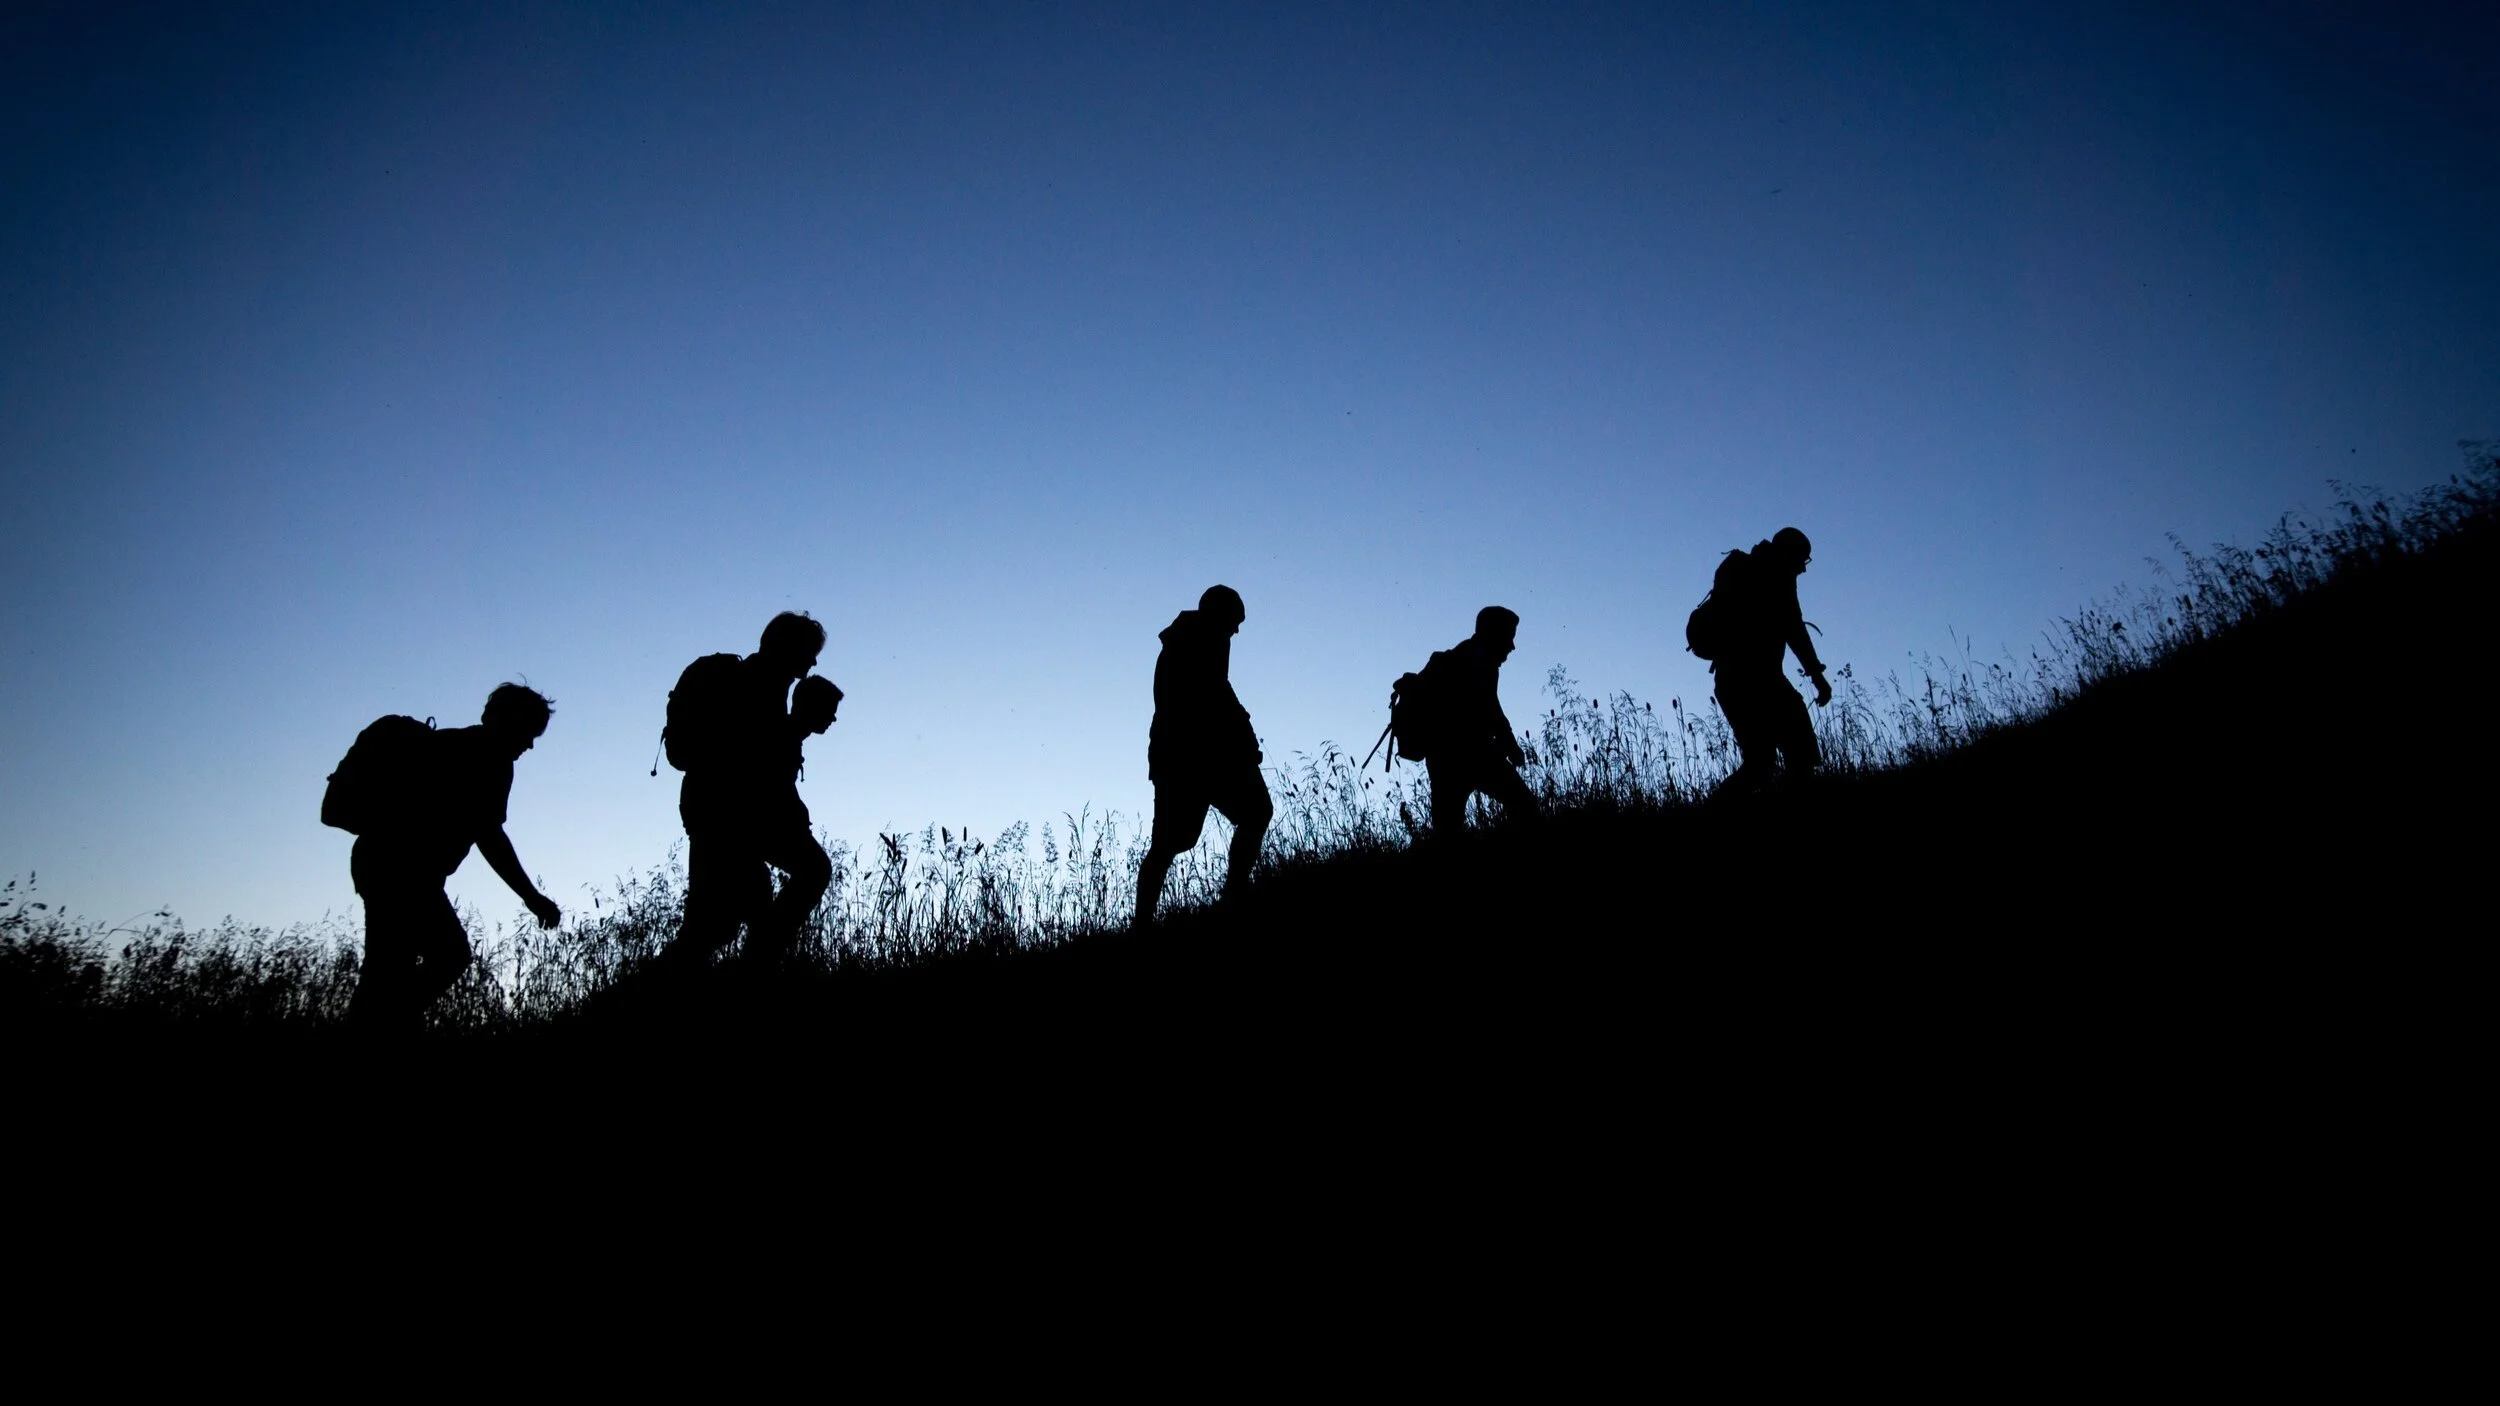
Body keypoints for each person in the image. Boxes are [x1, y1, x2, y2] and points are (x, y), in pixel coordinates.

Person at [344, 683, 561, 1036]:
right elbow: (489, 836)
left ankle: (382, 1023)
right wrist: (531, 896)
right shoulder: (489, 759)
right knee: (446, 956)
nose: (530, 744)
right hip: (402, 871)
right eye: (529, 733)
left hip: (383, 862)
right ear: (509, 722)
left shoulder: (450, 742)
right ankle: (384, 1025)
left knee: (388, 968)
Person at [670, 611, 837, 967]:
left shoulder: (769, 687)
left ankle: (750, 971)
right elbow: (755, 771)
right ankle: (751, 974)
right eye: (809, 650)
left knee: (716, 925)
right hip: (725, 819)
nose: (813, 659)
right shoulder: (757, 687)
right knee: (715, 925)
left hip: (715, 814)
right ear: (787, 646)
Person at [1135, 585, 1272, 925]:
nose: (1236, 631)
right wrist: (1242, 737)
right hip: (1189, 758)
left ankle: (1232, 896)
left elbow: (1218, 693)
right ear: (1219, 614)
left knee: (1254, 812)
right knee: (1171, 843)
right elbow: (1211, 698)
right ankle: (1144, 922)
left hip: (1196, 756)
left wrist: (1242, 736)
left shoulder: (1196, 639)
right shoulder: (1195, 641)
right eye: (1234, 622)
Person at [1712, 526, 1832, 794]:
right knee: (1795, 755)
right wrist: (1817, 676)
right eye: (1801, 561)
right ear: (1789, 554)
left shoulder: (1744, 569)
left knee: (1761, 764)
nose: (1802, 569)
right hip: (1759, 682)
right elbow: (1795, 631)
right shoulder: (1776, 577)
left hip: (1732, 682)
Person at [1421, 606, 1542, 835]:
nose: (1512, 646)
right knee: (1526, 806)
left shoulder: (1459, 656)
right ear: (1494, 633)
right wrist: (1512, 747)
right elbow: (1490, 709)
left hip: (1441, 757)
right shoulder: (1479, 661)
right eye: (1509, 637)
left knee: (1446, 832)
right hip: (1473, 754)